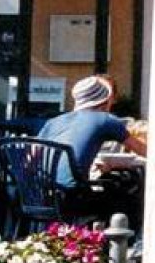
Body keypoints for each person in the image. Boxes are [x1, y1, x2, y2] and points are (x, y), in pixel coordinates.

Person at [38, 74, 146, 225]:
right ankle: (122, 243)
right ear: (105, 100)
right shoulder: (105, 119)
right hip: (73, 198)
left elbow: (31, 156)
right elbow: (144, 150)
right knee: (126, 192)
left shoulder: (53, 122)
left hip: (40, 195)